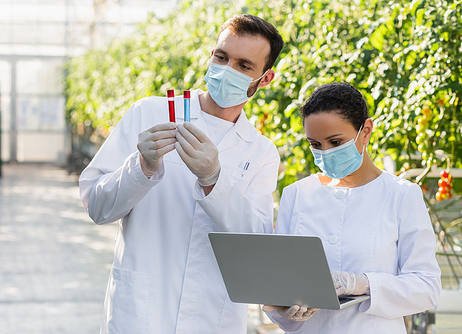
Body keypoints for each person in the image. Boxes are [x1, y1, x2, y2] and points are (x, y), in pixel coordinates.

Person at [79, 14, 284, 334]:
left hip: (213, 317)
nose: (227, 70)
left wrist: (215, 179)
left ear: (265, 78)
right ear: (211, 55)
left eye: (244, 66)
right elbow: (97, 206)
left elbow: (255, 239)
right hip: (141, 314)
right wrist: (141, 167)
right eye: (221, 57)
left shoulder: (261, 152)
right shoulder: (150, 113)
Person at [262, 82, 441, 333]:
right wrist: (286, 311)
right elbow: (280, 286)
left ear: (365, 130)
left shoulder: (401, 195)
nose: (325, 153)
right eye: (315, 144)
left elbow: (427, 287)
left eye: (336, 142)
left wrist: (362, 284)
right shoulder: (297, 195)